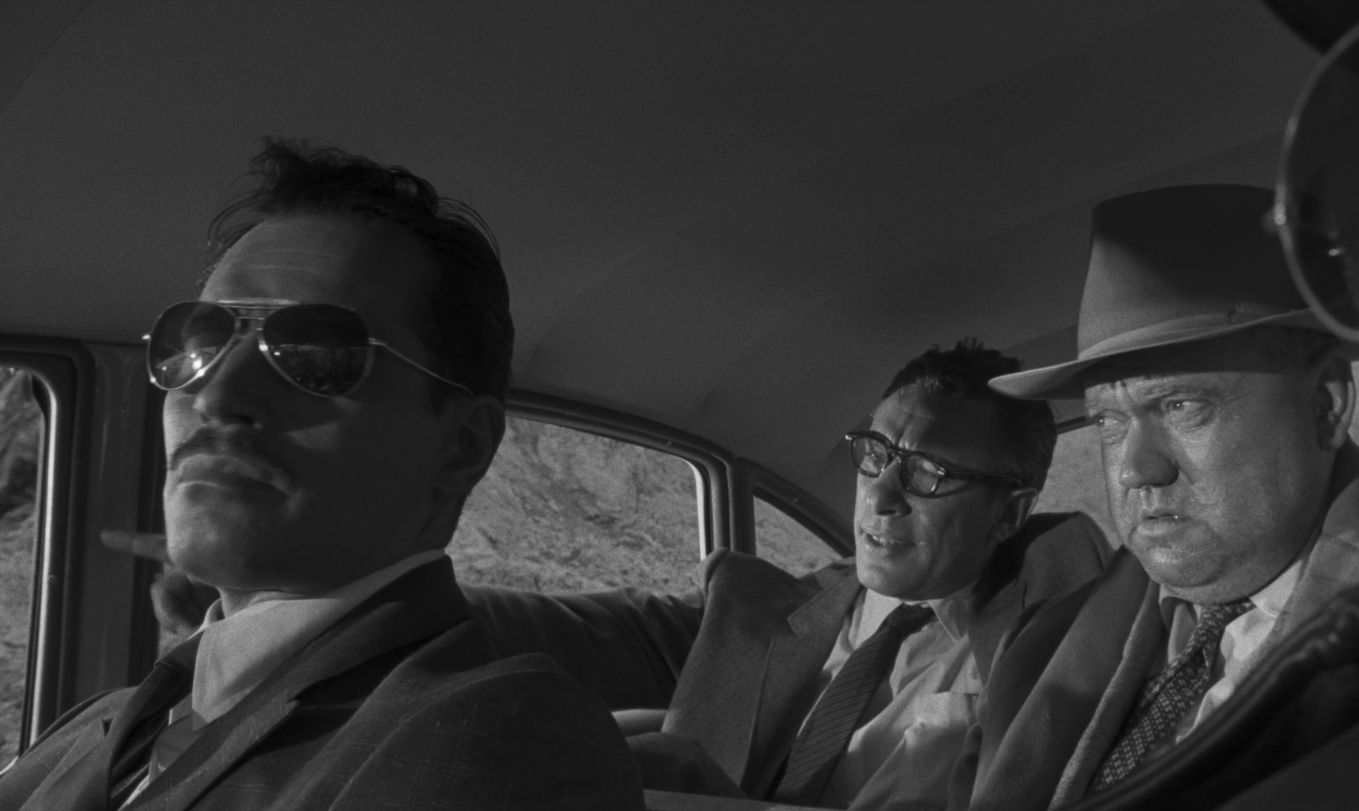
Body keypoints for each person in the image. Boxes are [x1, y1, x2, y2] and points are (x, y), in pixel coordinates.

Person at [0, 140, 642, 810]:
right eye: (199, 342)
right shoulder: (98, 724)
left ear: (461, 445)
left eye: (314, 354)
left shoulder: (501, 738)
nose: (216, 393)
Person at [959, 183, 1359, 811]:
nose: (1135, 469)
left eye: (1180, 405)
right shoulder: (1037, 647)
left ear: (1324, 405)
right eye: (1108, 421)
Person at [462, 339, 1111, 809]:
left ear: (1009, 513)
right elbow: (553, 626)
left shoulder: (1041, 635)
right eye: (876, 453)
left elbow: (1084, 575)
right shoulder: (749, 607)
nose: (880, 494)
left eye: (928, 473)